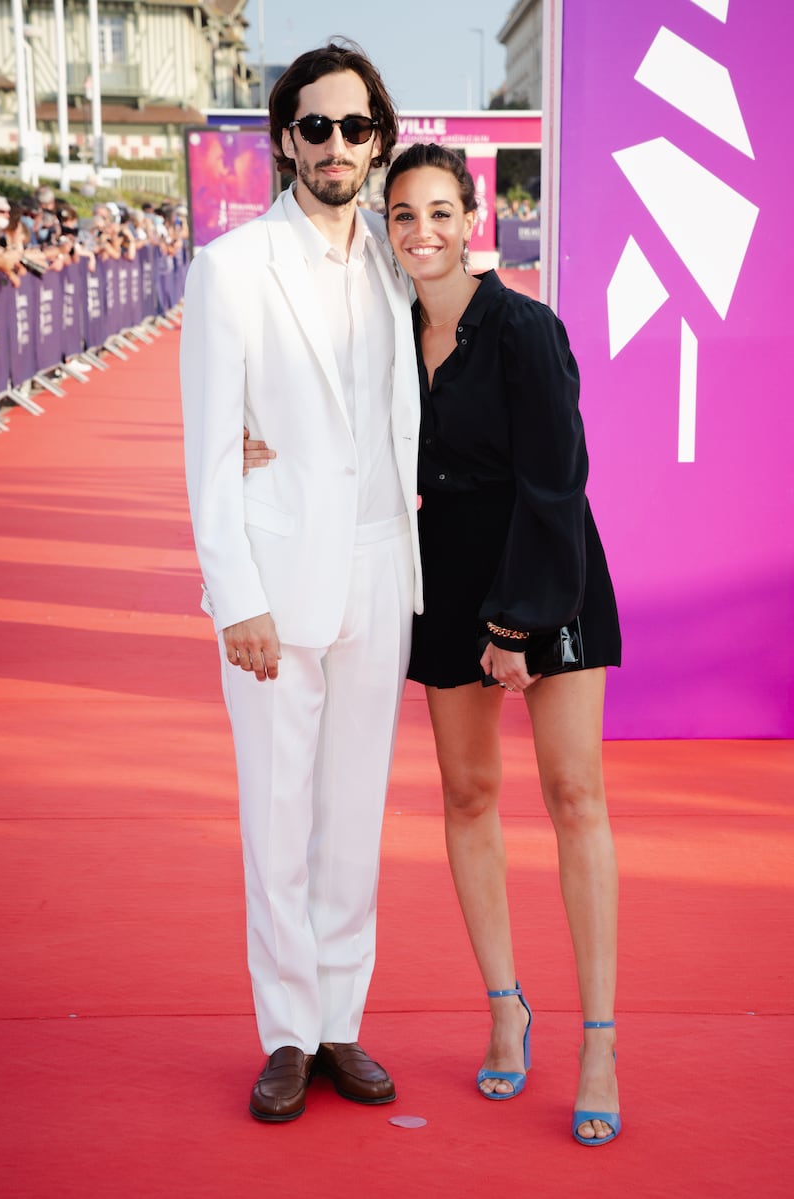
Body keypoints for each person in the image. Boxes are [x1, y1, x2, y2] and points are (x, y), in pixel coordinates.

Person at [245, 143, 622, 1145]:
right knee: (466, 795)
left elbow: (557, 481)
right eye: (401, 215)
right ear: (386, 224)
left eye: (439, 213)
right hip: (445, 571)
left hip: (546, 566)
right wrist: (254, 436)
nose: (420, 233)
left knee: (573, 795)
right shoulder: (384, 333)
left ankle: (596, 1037)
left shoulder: (524, 329)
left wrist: (515, 626)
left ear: (473, 218)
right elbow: (331, 431)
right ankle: (504, 1005)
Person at [179, 41, 422, 1125]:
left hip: (379, 569)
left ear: (377, 140)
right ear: (284, 137)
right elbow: (206, 451)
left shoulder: (391, 256)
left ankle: (337, 1019)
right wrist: (235, 594)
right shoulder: (231, 269)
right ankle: (282, 1030)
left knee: (352, 814)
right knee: (278, 818)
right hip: (275, 585)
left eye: (355, 127)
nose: (335, 146)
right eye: (314, 127)